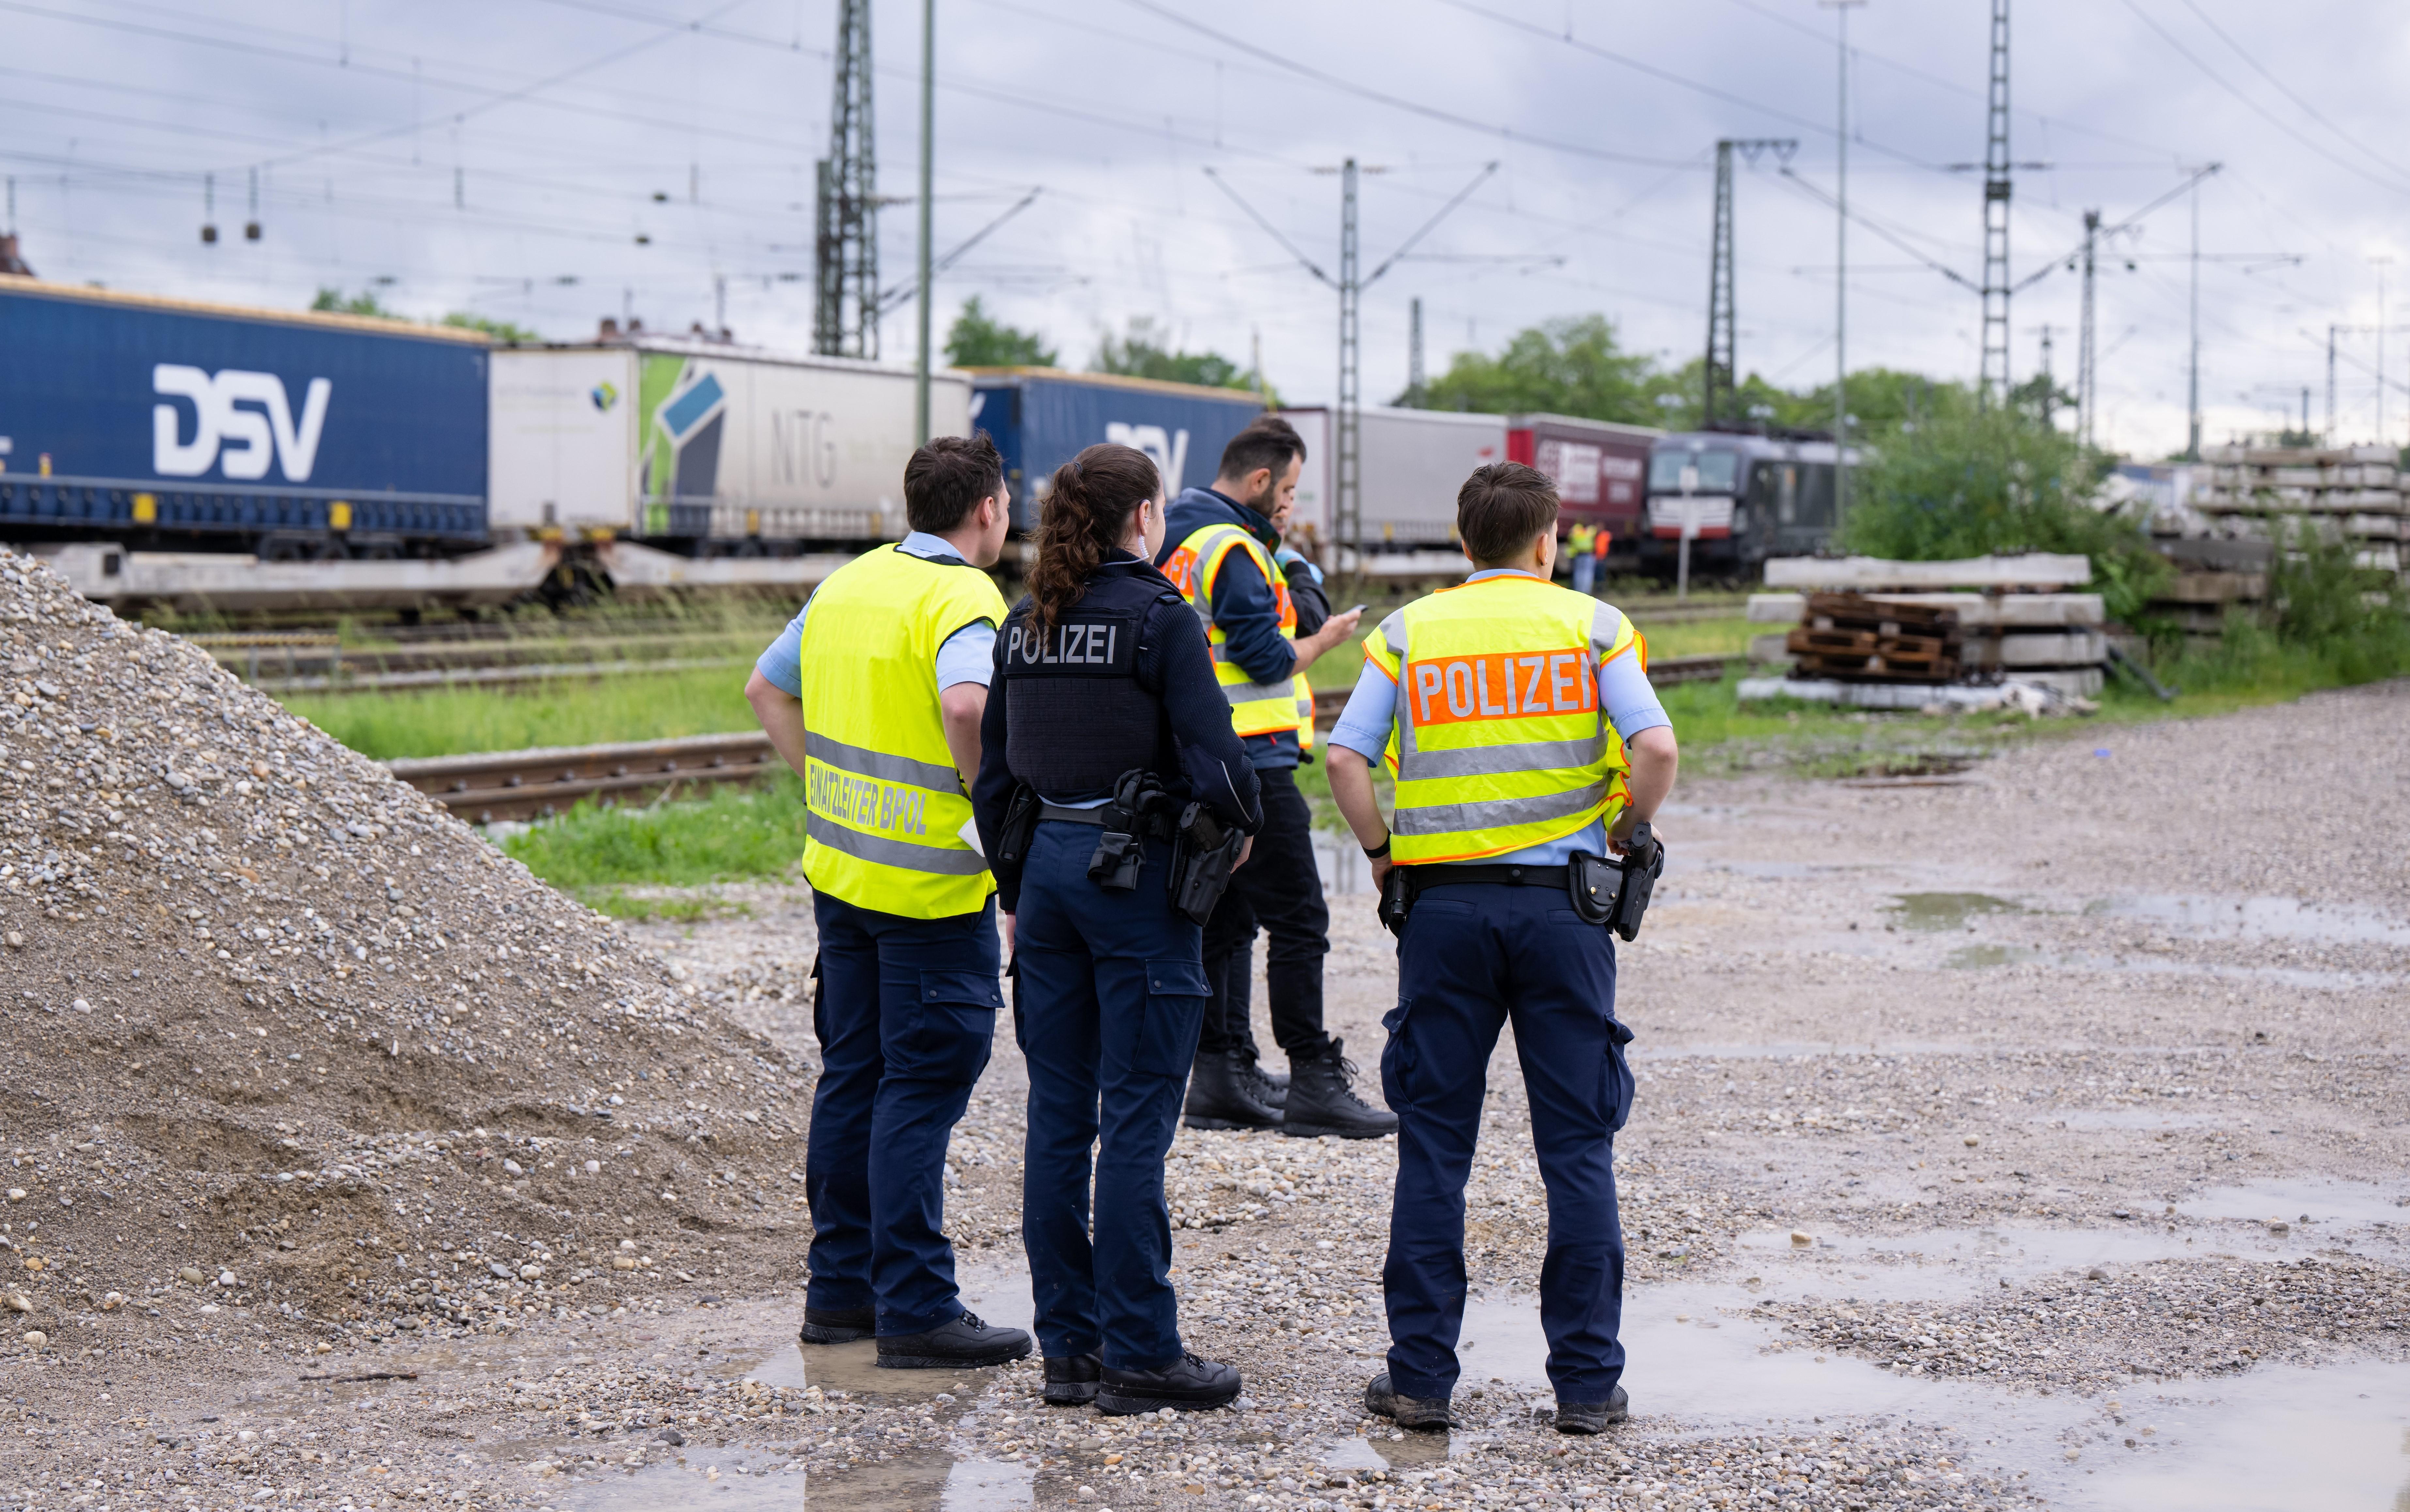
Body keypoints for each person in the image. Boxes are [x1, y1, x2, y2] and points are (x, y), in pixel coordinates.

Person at [1322, 461, 1681, 1436]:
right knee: (1576, 1149)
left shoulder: (1407, 632)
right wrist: (1626, 828)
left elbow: (1344, 756)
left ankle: (1421, 1381)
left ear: (1460, 538)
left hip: (1439, 915)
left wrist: (1381, 854)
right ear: (1544, 540)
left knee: (1435, 1148)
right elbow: (1655, 747)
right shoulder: (1591, 626)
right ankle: (1583, 1385)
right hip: (1563, 916)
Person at [972, 442, 1265, 1414]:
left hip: (1046, 874)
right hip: (1133, 878)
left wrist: (1017, 887)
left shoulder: (1024, 623)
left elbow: (996, 780)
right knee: (1138, 1114)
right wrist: (1234, 841)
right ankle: (1142, 1350)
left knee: (1060, 1116)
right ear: (1144, 516)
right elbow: (1220, 763)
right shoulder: (1158, 618)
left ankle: (1071, 1350)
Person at [743, 432, 1033, 1371]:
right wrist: (996, 824)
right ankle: (915, 1305)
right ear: (988, 508)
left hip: (842, 877)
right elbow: (965, 710)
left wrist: (824, 788)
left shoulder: (849, 583)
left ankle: (840, 1297)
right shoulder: (963, 598)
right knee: (920, 1089)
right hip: (931, 887)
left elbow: (766, 689)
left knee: (855, 1077)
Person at [1160, 420, 1395, 1139]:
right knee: (1300, 917)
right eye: (1289, 488)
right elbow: (1263, 661)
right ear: (1258, 481)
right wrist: (1325, 639)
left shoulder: (1180, 533)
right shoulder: (1232, 549)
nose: (1291, 503)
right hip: (1251, 762)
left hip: (1198, 759)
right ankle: (1314, 1079)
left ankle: (1220, 1070)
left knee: (1225, 918)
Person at [1567, 521, 1599, 596]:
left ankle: (1578, 591)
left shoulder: (1576, 530)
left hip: (1578, 555)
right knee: (1588, 574)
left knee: (1578, 574)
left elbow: (1570, 539)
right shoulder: (1591, 531)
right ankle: (1586, 592)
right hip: (1588, 555)